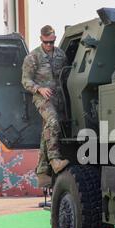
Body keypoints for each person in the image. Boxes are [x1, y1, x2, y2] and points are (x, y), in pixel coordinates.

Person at [22, 25, 70, 187]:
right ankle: (55, 160)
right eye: (46, 42)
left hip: (59, 97)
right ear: (41, 39)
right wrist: (39, 89)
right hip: (42, 98)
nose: (49, 45)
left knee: (48, 131)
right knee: (53, 121)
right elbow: (25, 81)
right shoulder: (33, 57)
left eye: (52, 42)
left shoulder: (60, 55)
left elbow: (66, 74)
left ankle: (42, 171)